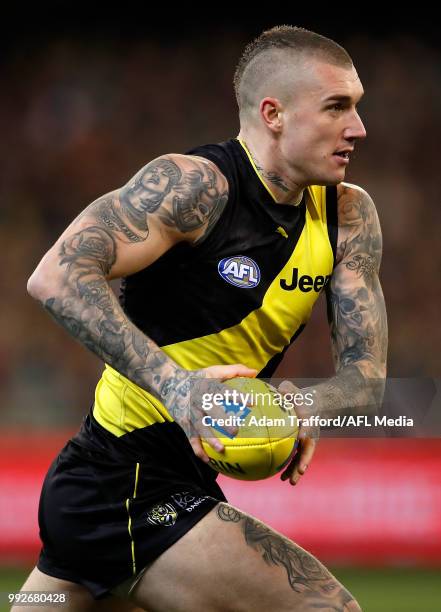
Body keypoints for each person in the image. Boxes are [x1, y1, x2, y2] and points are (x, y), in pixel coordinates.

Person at [19, 25, 387, 612]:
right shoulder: (195, 186)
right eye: (337, 107)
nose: (358, 128)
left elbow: (365, 379)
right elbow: (57, 276)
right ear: (274, 113)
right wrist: (178, 389)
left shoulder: (347, 216)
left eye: (357, 108)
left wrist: (299, 404)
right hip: (123, 479)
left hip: (149, 484)